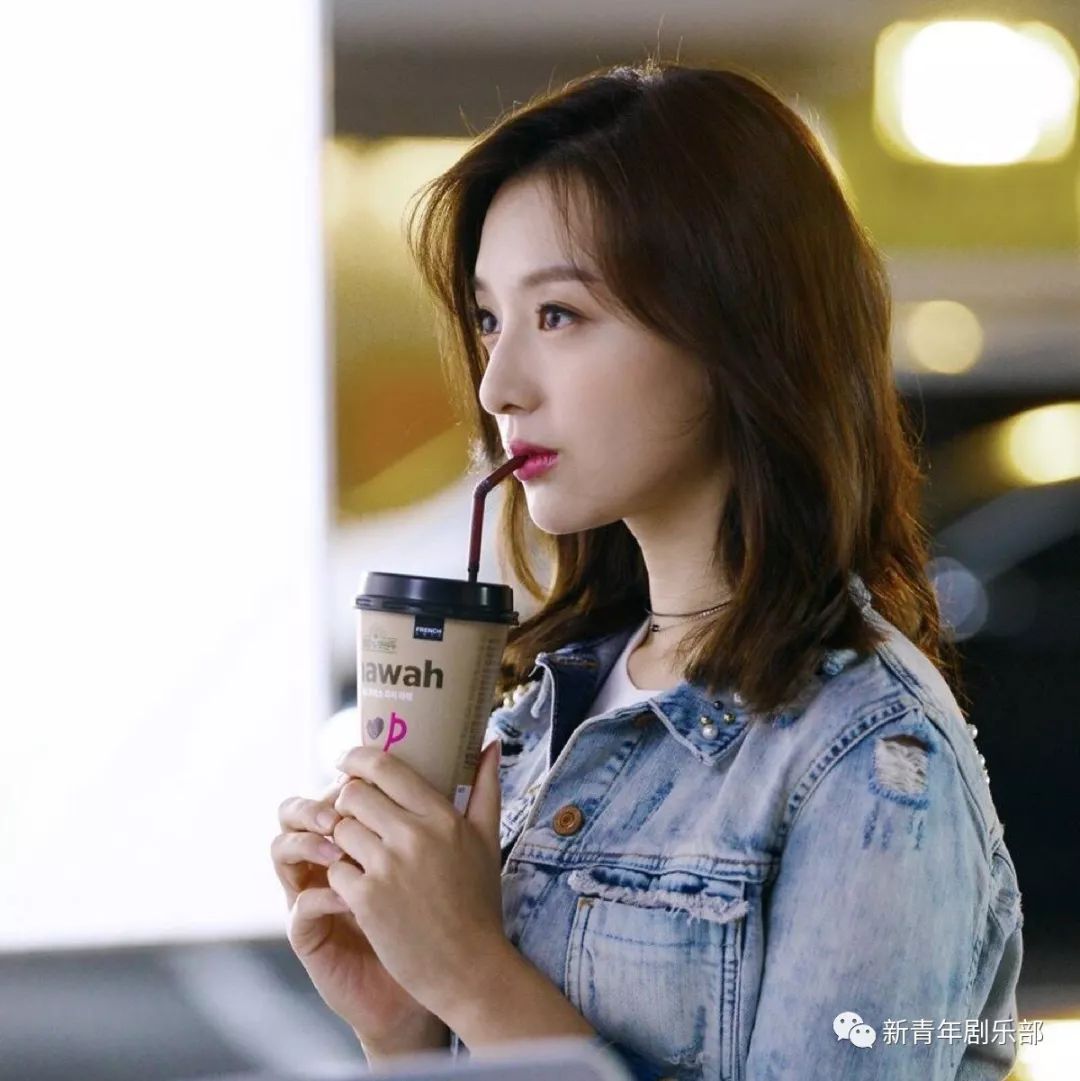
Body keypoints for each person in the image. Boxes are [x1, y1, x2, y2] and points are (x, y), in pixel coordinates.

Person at [270, 59, 1023, 1080]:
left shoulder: (869, 758)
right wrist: (404, 1025)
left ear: (733, 327)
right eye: (490, 319)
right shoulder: (548, 711)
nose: (498, 386)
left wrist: (470, 972)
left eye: (558, 315)